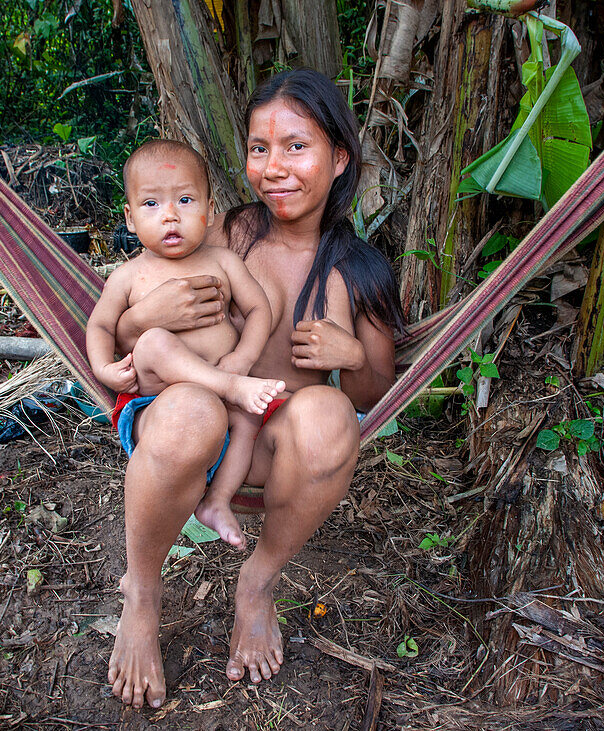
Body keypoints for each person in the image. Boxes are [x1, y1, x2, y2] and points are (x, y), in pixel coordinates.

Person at [106, 69, 405, 709]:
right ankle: (143, 594)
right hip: (190, 421)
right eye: (259, 149)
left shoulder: (361, 272)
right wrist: (138, 321)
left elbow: (377, 390)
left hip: (269, 441)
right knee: (190, 411)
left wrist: (349, 353)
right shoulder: (228, 231)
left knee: (329, 414)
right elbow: (144, 300)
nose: (276, 167)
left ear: (340, 157)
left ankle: (258, 582)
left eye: (297, 146)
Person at [86, 139, 285, 549]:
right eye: (151, 205)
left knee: (248, 420)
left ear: (211, 210)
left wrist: (243, 358)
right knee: (155, 341)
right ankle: (227, 389)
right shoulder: (128, 276)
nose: (171, 215)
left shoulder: (224, 262)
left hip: (229, 390)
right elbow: (101, 327)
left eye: (186, 199)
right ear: (129, 217)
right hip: (158, 401)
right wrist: (104, 368)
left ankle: (217, 500)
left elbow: (259, 310)